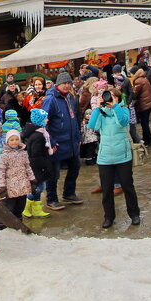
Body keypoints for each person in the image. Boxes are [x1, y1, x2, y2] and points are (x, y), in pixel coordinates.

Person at [88, 89, 140, 229]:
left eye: (112, 96)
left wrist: (115, 106)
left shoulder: (123, 110)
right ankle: (108, 217)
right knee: (106, 190)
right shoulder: (101, 113)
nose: (109, 99)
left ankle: (134, 214)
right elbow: (92, 126)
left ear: (117, 98)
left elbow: (123, 122)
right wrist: (98, 108)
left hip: (122, 156)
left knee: (128, 186)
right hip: (105, 158)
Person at [41, 70, 83, 210]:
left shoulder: (70, 97)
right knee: (53, 173)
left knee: (75, 167)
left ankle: (69, 193)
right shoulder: (50, 100)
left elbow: (74, 118)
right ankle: (51, 199)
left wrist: (78, 136)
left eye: (69, 83)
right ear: (58, 84)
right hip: (57, 143)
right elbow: (44, 123)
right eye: (64, 83)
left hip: (71, 141)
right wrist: (51, 142)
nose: (66, 85)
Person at [0, 129, 33, 223]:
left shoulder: (23, 153)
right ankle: (0, 226)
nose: (14, 142)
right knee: (8, 207)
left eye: (16, 139)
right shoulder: (4, 155)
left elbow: (28, 167)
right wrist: (1, 186)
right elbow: (1, 172)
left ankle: (18, 224)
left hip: (22, 185)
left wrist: (32, 179)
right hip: (10, 187)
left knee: (20, 207)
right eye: (12, 140)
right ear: (7, 141)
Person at [20, 108, 53, 219]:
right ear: (40, 120)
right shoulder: (38, 136)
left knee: (39, 187)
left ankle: (37, 209)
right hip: (37, 167)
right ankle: (26, 207)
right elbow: (35, 154)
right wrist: (44, 165)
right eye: (45, 118)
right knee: (37, 188)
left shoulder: (40, 133)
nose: (47, 120)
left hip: (38, 166)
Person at [130, 66, 151, 146]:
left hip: (144, 104)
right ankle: (147, 139)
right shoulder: (144, 78)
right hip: (149, 103)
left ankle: (148, 140)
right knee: (145, 123)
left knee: (144, 124)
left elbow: (134, 94)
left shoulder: (138, 81)